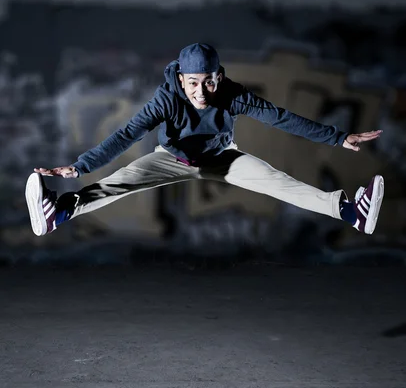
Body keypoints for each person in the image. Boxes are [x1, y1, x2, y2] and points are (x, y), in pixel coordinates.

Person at [25, 43, 384, 238]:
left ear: (220, 76)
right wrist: (79, 167)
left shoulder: (233, 95)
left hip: (221, 158)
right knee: (118, 183)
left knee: (279, 182)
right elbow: (126, 134)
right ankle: (58, 212)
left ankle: (351, 212)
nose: (201, 92)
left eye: (209, 81)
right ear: (181, 79)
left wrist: (339, 137)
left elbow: (281, 118)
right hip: (170, 158)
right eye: (193, 83)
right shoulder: (166, 98)